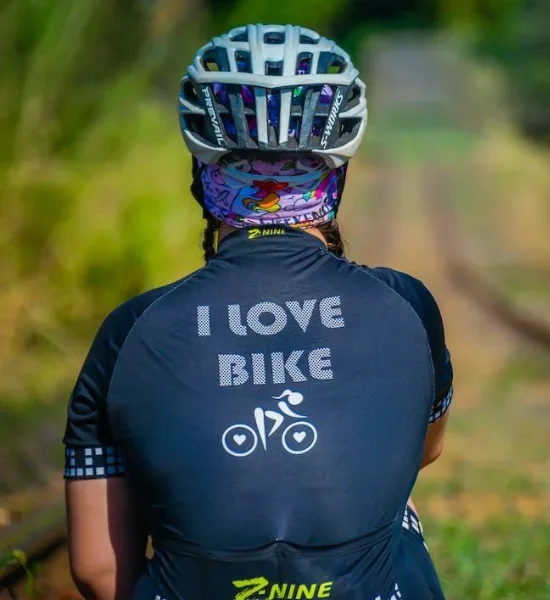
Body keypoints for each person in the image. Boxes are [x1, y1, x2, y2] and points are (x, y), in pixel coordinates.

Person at [63, 24, 453, 600]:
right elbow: (417, 451)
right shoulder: (408, 305)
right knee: (396, 514)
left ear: (202, 170)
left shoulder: (130, 331)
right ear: (336, 168)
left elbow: (98, 570)